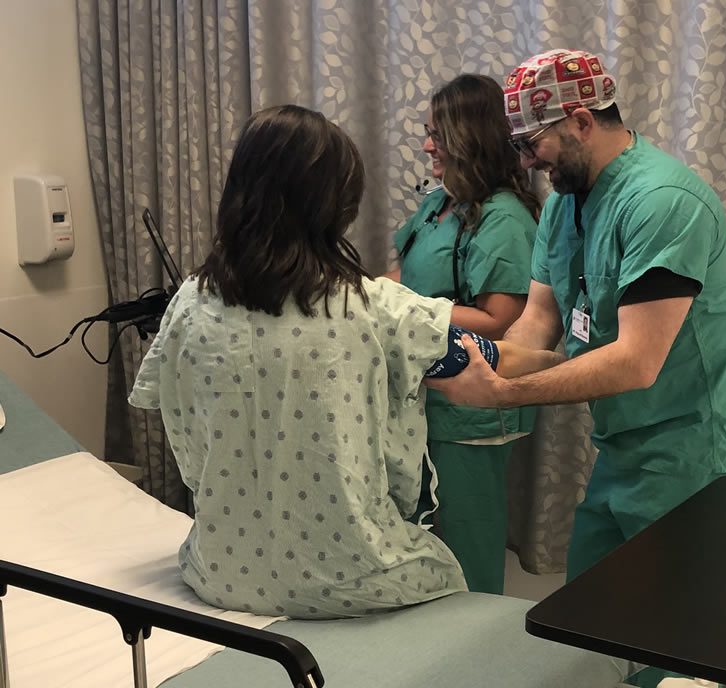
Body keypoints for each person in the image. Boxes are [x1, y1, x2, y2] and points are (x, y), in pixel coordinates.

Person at [127, 104, 555, 620]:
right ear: (336, 207)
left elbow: (178, 422)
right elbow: (495, 358)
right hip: (352, 577)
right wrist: (585, 361)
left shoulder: (189, 302)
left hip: (221, 572)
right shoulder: (375, 309)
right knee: (447, 573)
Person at [427, 47, 726, 657]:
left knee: (674, 636)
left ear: (582, 121)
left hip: (693, 453)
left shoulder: (663, 202)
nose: (527, 162)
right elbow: (537, 323)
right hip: (620, 449)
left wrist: (503, 392)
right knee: (588, 616)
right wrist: (461, 358)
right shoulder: (565, 199)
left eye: (535, 144)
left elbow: (636, 361)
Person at [385, 74, 542, 594]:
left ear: (474, 137)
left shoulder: (504, 218)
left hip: (469, 404)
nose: (428, 144)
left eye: (440, 133)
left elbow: (498, 318)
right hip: (420, 395)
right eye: (427, 132)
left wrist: (403, 309)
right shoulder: (439, 205)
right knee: (424, 533)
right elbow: (400, 278)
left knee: (467, 537)